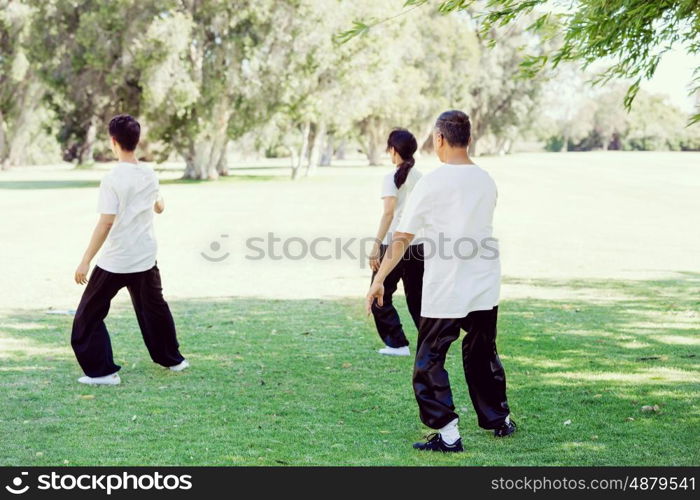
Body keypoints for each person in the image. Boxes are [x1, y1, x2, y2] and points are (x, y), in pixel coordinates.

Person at [366, 110, 515, 452]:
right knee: (482, 352)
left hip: (447, 285)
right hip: (484, 282)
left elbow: (401, 238)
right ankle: (499, 419)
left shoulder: (433, 183)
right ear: (469, 139)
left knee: (429, 359)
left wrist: (379, 280)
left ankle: (448, 434)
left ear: (439, 139)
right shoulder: (486, 179)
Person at [70, 114, 188, 386]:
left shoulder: (112, 178)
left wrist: (85, 261)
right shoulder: (149, 172)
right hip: (145, 255)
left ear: (113, 142)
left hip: (118, 259)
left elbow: (106, 223)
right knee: (154, 309)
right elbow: (159, 206)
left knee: (87, 316)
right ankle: (174, 360)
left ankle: (103, 373)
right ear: (136, 141)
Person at [368, 129, 424, 357]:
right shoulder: (421, 177)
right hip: (418, 245)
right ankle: (431, 344)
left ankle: (397, 344)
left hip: (393, 245)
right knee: (418, 299)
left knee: (378, 295)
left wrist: (375, 246)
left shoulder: (390, 178)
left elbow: (388, 214)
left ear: (394, 150)